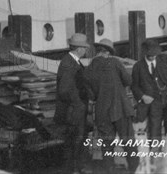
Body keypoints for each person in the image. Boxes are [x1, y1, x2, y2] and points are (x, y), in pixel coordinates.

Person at [84, 39, 139, 173]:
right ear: (108, 52)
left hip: (102, 111)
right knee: (128, 142)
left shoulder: (88, 70)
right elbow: (128, 80)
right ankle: (135, 169)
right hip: (120, 108)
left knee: (107, 145)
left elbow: (90, 95)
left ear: (98, 51)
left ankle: (109, 170)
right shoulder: (114, 62)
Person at [131, 40, 167, 141]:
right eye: (149, 55)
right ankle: (156, 153)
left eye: (154, 54)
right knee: (155, 130)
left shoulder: (165, 59)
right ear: (144, 54)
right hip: (153, 102)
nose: (152, 57)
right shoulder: (138, 67)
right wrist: (142, 96)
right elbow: (134, 86)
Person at [55, 33, 90, 174]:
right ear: (79, 49)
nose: (86, 50)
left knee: (77, 140)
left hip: (76, 110)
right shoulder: (68, 64)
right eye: (85, 47)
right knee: (74, 141)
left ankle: (77, 168)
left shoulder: (73, 61)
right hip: (73, 111)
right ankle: (73, 170)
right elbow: (63, 90)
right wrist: (78, 102)